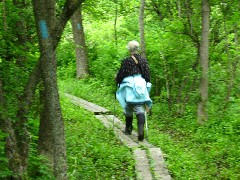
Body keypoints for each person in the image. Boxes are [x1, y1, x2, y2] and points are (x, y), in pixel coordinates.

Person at [115, 40, 152, 141]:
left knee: (128, 108)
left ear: (129, 50)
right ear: (137, 49)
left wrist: (117, 80)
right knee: (140, 108)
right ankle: (140, 130)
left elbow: (121, 74)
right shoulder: (143, 60)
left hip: (129, 88)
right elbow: (147, 75)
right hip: (140, 88)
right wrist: (146, 86)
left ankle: (128, 128)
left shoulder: (126, 61)